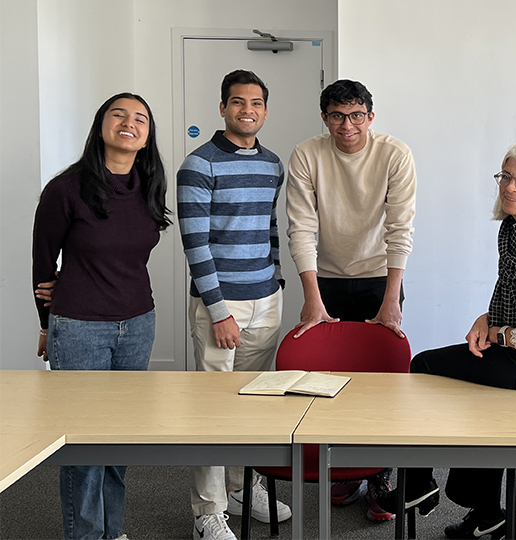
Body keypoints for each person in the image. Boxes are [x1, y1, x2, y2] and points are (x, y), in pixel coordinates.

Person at [375, 141, 516, 540]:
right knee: (477, 396)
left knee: (423, 366)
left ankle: (418, 482)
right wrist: (486, 319)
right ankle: (487, 511)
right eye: (506, 176)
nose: (510, 187)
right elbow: (512, 290)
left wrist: (499, 334)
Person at [32, 92, 171, 540]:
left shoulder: (149, 184)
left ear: (147, 136)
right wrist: (45, 323)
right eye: (119, 115)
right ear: (100, 126)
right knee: (84, 444)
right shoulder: (65, 189)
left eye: (141, 119)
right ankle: (87, 535)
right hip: (80, 328)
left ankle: (114, 532)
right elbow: (41, 264)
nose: (130, 124)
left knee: (119, 441)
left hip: (137, 325)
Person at [285, 78, 416, 519]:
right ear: (325, 119)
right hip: (327, 278)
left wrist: (392, 299)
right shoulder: (307, 154)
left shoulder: (393, 154)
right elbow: (300, 227)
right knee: (329, 380)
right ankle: (345, 470)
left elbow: (401, 228)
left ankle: (379, 474)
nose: (348, 125)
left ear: (370, 118)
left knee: (380, 381)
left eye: (356, 115)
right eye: (338, 116)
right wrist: (311, 296)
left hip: (382, 276)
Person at [177, 70, 290, 540]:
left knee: (254, 403)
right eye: (239, 102)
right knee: (213, 409)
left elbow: (268, 229)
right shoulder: (198, 165)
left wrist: (276, 282)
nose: (248, 110)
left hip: (266, 300)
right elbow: (195, 244)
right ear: (222, 108)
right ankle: (208, 509)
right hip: (220, 306)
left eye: (257, 103)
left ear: (265, 109)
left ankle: (243, 488)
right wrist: (219, 309)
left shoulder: (273, 164)